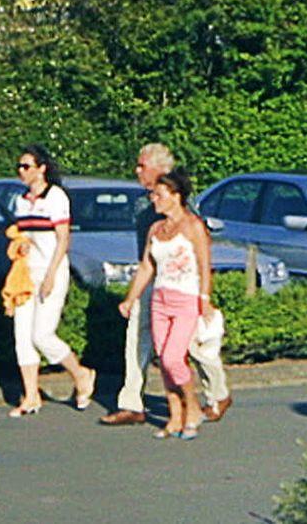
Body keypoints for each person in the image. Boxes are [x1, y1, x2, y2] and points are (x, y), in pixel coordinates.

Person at [102, 143, 231, 427]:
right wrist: (132, 294)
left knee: (191, 347)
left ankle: (217, 393)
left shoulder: (180, 200)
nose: (137, 171)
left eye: (142, 165)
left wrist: (203, 296)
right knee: (137, 337)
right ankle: (132, 403)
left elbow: (198, 248)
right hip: (153, 279)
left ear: (160, 168)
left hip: (182, 286)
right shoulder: (142, 204)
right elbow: (146, 256)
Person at [5, 144, 96, 417]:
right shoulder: (20, 201)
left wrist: (51, 275)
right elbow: (23, 234)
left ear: (41, 168)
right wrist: (20, 245)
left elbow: (63, 239)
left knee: (42, 335)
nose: (21, 171)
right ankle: (31, 396)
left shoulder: (56, 197)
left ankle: (80, 373)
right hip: (26, 274)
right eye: (19, 166)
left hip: (51, 271)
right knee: (22, 336)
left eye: (26, 166)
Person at [120, 166, 211, 439]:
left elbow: (205, 266)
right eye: (153, 195)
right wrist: (130, 298)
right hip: (160, 299)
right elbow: (146, 266)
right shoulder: (156, 229)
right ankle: (175, 416)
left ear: (176, 195)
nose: (154, 200)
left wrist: (204, 299)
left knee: (173, 358)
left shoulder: (193, 226)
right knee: (163, 359)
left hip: (185, 300)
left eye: (159, 195)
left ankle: (192, 406)